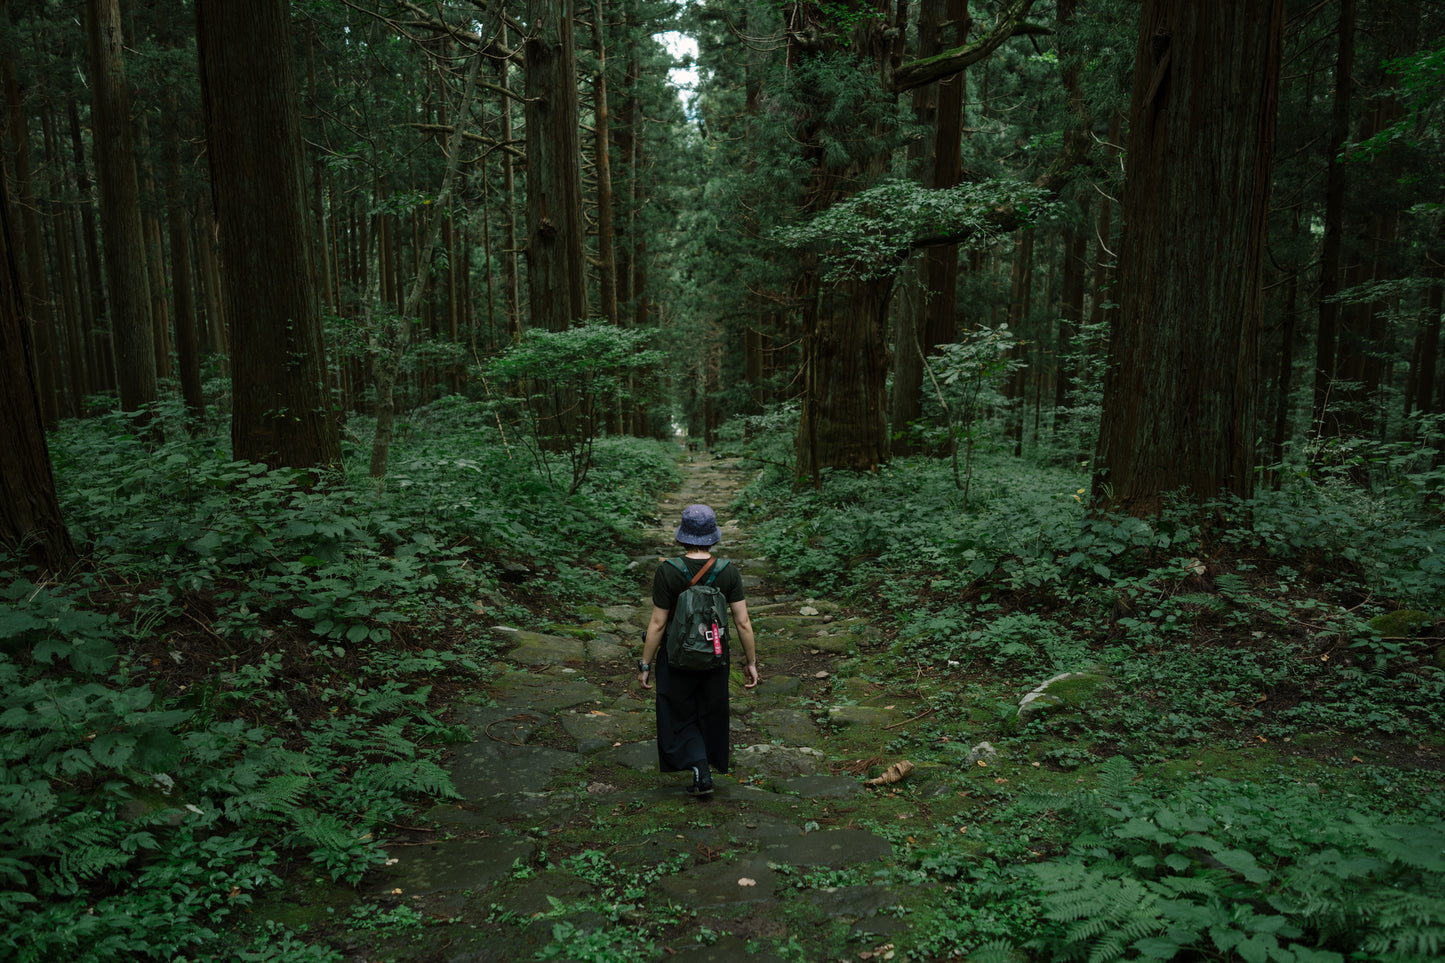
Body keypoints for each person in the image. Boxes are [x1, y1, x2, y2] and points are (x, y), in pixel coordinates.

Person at [637, 503, 760, 796]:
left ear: (682, 536)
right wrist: (751, 661)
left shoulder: (668, 571)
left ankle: (697, 764)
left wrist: (645, 664)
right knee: (711, 710)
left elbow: (657, 623)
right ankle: (707, 763)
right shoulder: (727, 572)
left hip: (676, 655)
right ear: (713, 536)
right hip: (715, 654)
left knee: (676, 711)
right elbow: (743, 623)